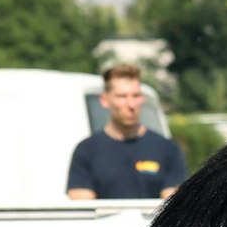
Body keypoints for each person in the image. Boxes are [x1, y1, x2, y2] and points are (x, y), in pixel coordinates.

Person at [66, 64, 188, 200]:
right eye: (122, 96)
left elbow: (173, 208)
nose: (131, 105)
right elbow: (83, 211)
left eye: (135, 96)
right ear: (105, 100)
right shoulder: (87, 151)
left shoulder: (168, 149)